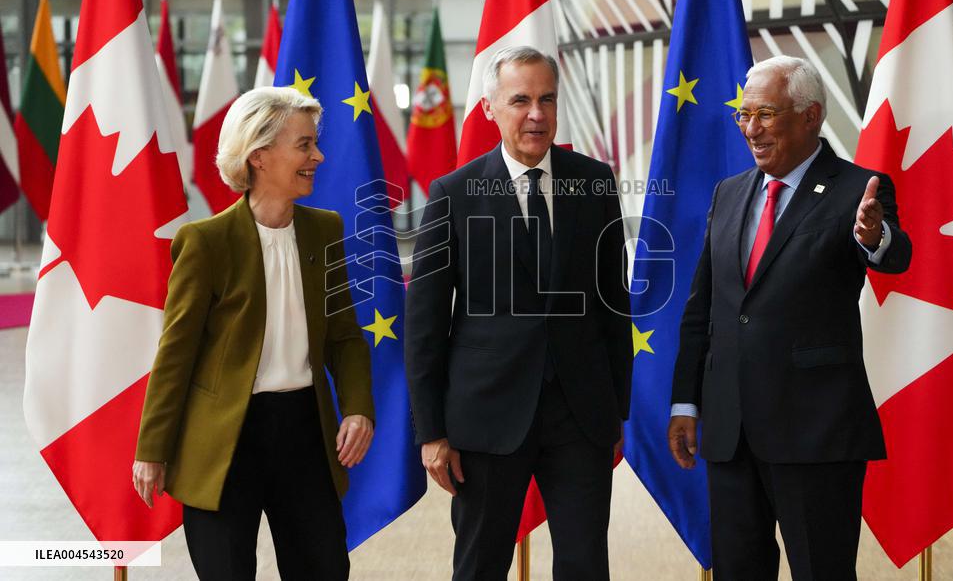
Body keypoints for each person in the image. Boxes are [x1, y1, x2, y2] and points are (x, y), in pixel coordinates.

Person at [667, 55, 912, 580]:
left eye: (766, 115)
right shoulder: (729, 193)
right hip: (731, 431)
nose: (751, 129)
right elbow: (702, 307)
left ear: (810, 115)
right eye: (744, 114)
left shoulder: (857, 190)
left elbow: (896, 254)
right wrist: (685, 401)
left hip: (815, 432)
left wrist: (873, 237)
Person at [404, 46, 632, 581]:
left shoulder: (594, 182)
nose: (537, 113)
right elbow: (426, 324)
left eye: (547, 99)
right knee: (481, 564)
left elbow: (612, 306)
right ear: (490, 107)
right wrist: (431, 430)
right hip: (485, 418)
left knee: (584, 564)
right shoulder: (453, 194)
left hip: (581, 417)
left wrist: (615, 410)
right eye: (521, 100)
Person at [132, 86, 375, 580]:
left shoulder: (324, 229)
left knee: (324, 569)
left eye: (315, 143)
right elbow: (175, 354)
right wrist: (151, 449)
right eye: (304, 144)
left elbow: (345, 335)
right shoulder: (205, 243)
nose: (318, 156)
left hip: (305, 432)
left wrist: (357, 407)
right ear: (260, 157)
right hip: (224, 441)